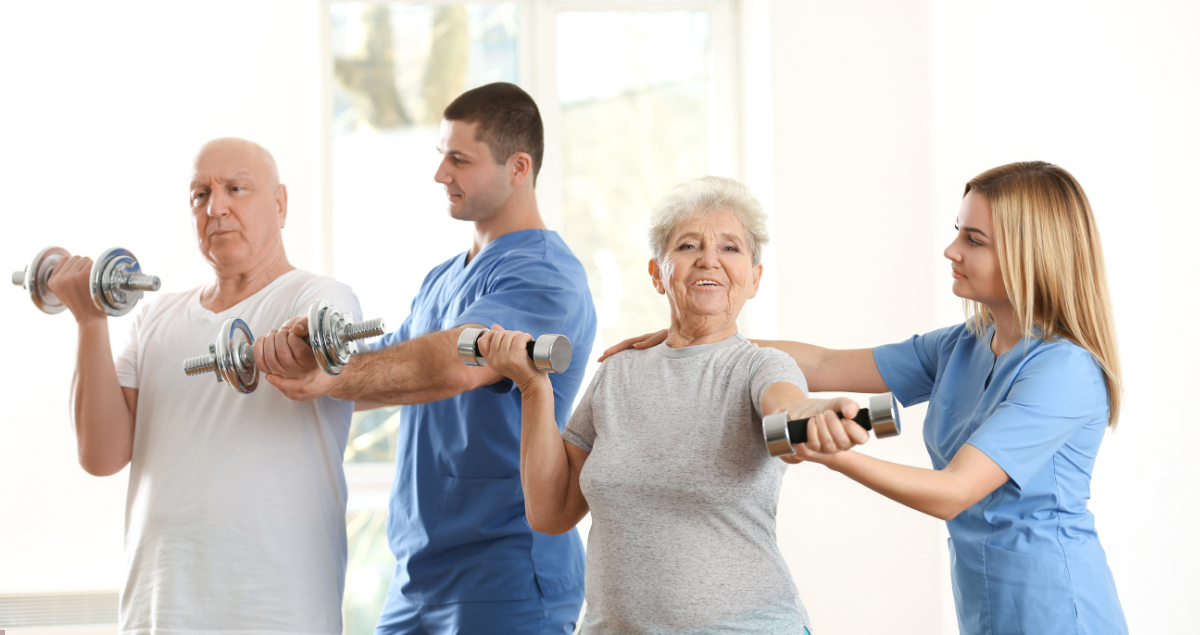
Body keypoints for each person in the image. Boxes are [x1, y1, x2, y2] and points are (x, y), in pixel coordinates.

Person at [606, 162, 1127, 635]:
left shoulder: (1066, 371)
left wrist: (832, 453)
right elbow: (823, 364)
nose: (951, 251)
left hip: (1060, 608)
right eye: (957, 232)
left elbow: (953, 492)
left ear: (1029, 254)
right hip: (983, 601)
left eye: (973, 239)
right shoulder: (962, 345)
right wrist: (696, 337)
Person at [255, 82, 597, 635]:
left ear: (518, 167)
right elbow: (388, 365)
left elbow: (449, 366)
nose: (441, 174)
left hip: (504, 572)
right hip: (418, 574)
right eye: (442, 155)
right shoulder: (442, 277)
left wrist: (333, 376)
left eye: (459, 159)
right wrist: (312, 360)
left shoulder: (545, 274)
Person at [476, 176, 865, 635]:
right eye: (688, 245)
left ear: (755, 279)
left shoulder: (761, 366)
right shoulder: (617, 372)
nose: (709, 259)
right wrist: (533, 387)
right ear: (658, 273)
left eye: (730, 248)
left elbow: (786, 408)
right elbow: (551, 511)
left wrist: (810, 416)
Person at [48, 137, 362, 633]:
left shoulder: (318, 297)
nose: (216, 208)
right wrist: (90, 320)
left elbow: (322, 354)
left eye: (236, 188)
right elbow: (101, 456)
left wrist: (294, 351)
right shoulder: (156, 316)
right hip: (160, 608)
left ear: (280, 204)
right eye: (201, 194)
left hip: (276, 610)